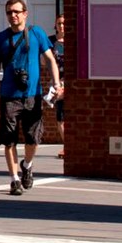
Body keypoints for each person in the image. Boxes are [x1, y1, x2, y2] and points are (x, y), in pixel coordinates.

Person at [0, 0, 63, 196]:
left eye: (16, 12)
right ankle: (14, 179)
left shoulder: (36, 33)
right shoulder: (1, 39)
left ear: (25, 13)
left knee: (32, 139)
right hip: (9, 96)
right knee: (9, 140)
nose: (13, 16)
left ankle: (27, 165)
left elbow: (50, 59)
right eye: (9, 12)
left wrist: (56, 84)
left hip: (33, 95)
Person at [49, 14, 66, 159]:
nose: (61, 26)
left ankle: (70, 146)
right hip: (57, 83)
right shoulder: (51, 42)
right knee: (60, 117)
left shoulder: (74, 40)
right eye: (59, 23)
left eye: (64, 23)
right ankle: (66, 145)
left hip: (71, 83)